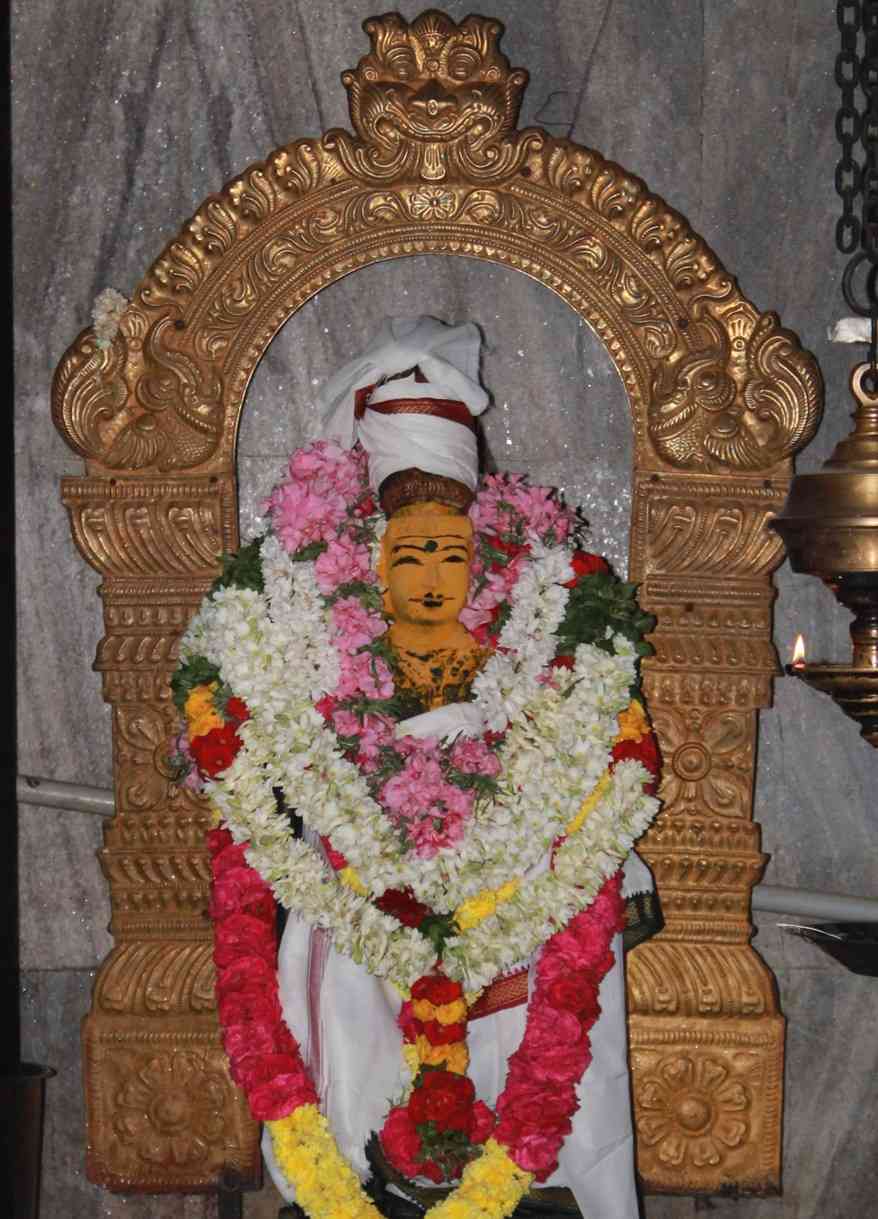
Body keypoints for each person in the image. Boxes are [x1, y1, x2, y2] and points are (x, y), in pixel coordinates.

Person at [263, 317, 651, 1218]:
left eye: (450, 536)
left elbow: (573, 721)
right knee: (347, 905)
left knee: (544, 888)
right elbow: (291, 724)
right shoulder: (325, 594)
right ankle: (364, 1162)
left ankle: (527, 1159)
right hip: (367, 834)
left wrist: (500, 751)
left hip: (507, 833)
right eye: (409, 534)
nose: (434, 563)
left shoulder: (537, 586)